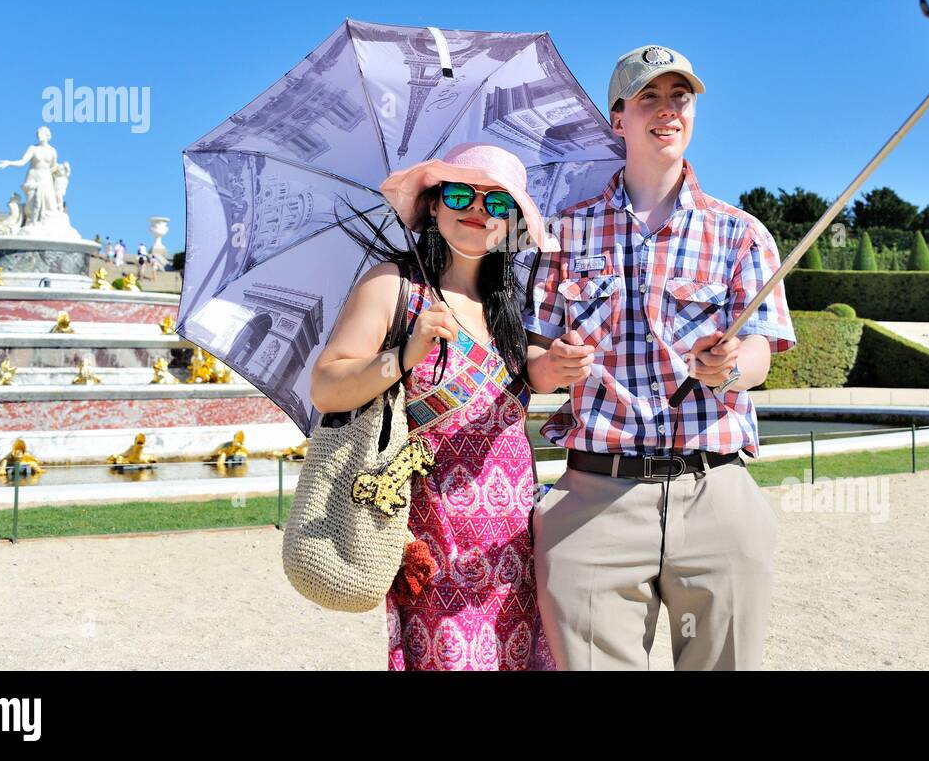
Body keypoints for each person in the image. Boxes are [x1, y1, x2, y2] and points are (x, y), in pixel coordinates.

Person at [523, 45, 797, 670]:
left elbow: (760, 352)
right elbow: (534, 361)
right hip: (594, 500)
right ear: (617, 117)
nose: (667, 109)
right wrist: (552, 366)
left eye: (681, 97)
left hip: (716, 496)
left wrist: (729, 367)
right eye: (649, 97)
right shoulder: (563, 234)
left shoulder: (742, 233)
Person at [310, 142, 559, 671]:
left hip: (517, 549)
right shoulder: (393, 285)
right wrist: (403, 355)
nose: (476, 210)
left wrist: (557, 366)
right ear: (433, 204)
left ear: (512, 224)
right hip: (435, 548)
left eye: (497, 203)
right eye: (461, 194)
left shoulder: (511, 307)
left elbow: (525, 384)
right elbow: (327, 386)